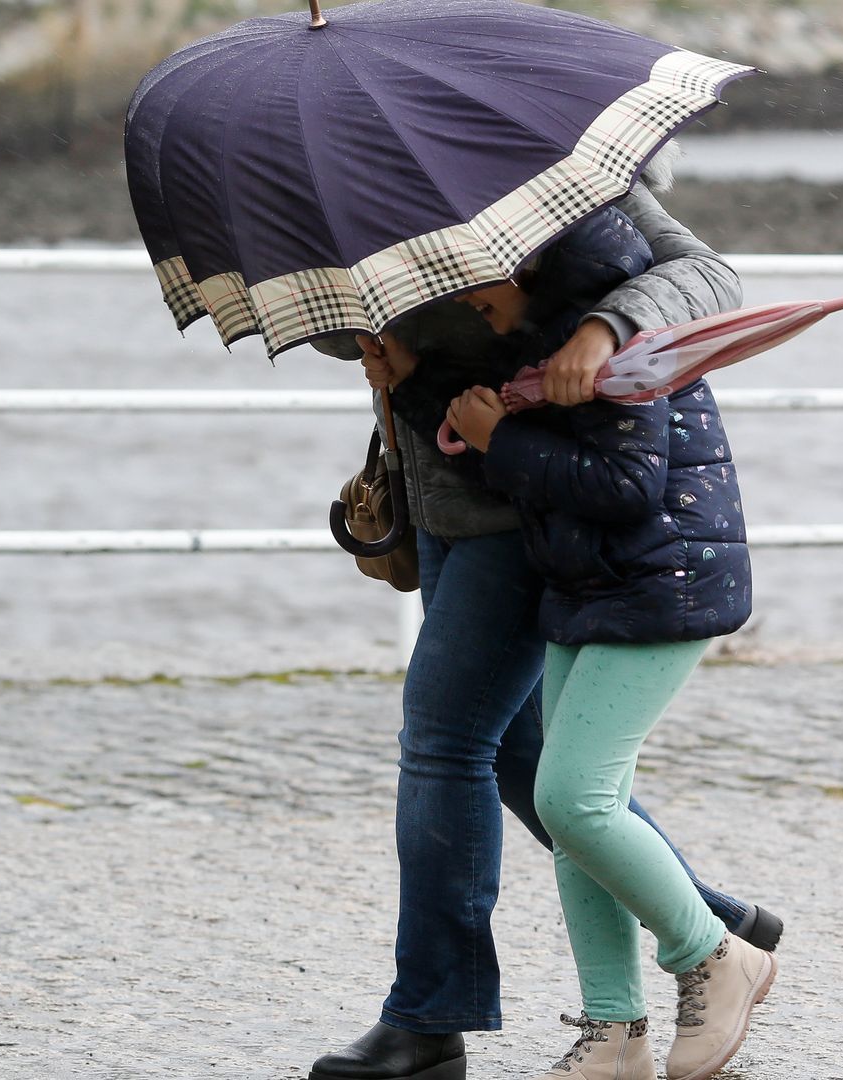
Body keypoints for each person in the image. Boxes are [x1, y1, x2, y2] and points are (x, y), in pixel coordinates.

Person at [307, 158, 784, 1080]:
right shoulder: (353, 164)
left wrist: (601, 326)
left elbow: (705, 277)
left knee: (446, 742)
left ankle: (430, 1017)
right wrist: (376, 325)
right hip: (446, 492)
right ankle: (697, 937)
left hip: (533, 506)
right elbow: (334, 327)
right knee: (534, 762)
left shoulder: (546, 165)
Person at [440, 208, 773, 1080]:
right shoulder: (547, 354)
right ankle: (613, 1028)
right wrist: (457, 412)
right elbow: (539, 467)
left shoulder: (620, 360)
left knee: (572, 798)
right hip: (589, 591)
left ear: (532, 269)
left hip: (663, 588)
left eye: (482, 282)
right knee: (584, 812)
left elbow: (626, 487)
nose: (469, 297)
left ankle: (712, 954)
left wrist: (503, 439)